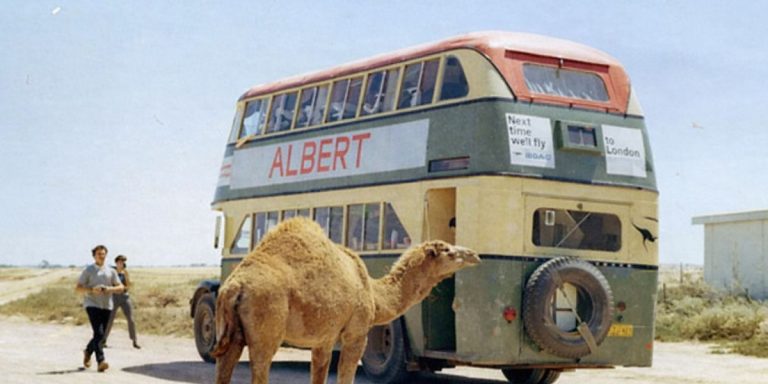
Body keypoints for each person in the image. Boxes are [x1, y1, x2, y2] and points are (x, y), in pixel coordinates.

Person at [75, 245, 124, 372]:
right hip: (92, 304)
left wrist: (109, 289)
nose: (101, 256)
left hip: (107, 305)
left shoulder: (111, 271)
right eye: (98, 254)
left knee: (100, 336)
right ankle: (101, 361)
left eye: (103, 254)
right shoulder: (88, 270)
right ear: (94, 256)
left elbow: (121, 287)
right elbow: (78, 288)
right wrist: (92, 289)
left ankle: (88, 351)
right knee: (99, 333)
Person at [102, 254, 140, 349]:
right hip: (113, 297)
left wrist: (124, 288)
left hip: (124, 297)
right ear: (116, 262)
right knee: (109, 320)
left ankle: (134, 341)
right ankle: (103, 340)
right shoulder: (111, 272)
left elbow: (128, 285)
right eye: (119, 262)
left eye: (123, 262)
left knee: (131, 319)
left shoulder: (125, 272)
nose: (121, 263)